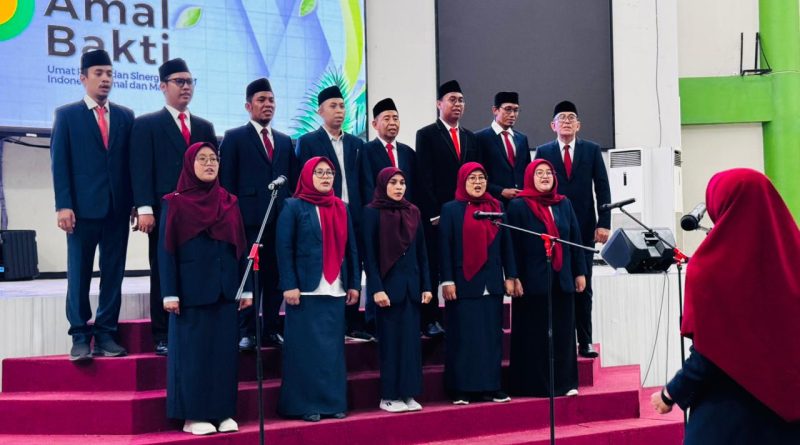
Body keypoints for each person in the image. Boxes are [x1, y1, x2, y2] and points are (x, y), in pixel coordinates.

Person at [651, 169, 800, 444]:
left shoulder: (710, 268)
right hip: (788, 413)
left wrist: (671, 393)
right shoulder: (793, 256)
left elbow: (710, 352)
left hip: (728, 413)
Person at [158, 142, 251, 436]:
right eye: (202, 159)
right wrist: (170, 292)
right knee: (193, 356)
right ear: (189, 164)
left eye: (214, 159)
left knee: (224, 355)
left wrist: (245, 288)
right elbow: (166, 251)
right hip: (191, 293)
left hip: (225, 290)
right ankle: (193, 416)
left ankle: (223, 412)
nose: (210, 164)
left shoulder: (229, 201)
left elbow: (240, 245)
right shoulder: (174, 202)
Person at [50, 49, 134, 361]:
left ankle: (106, 333)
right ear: (83, 78)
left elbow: (130, 165)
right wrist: (63, 205)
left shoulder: (125, 116)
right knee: (79, 272)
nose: (105, 79)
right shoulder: (67, 115)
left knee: (113, 273)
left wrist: (136, 203)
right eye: (99, 73)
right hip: (81, 210)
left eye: (109, 73)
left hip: (117, 208)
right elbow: (60, 163)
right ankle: (79, 335)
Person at [130, 58, 217, 356]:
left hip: (200, 212)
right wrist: (144, 207)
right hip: (163, 211)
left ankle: (194, 326)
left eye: (190, 81)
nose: (186, 87)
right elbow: (140, 168)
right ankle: (162, 333)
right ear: (162, 86)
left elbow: (212, 170)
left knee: (197, 267)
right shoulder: (146, 125)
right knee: (162, 270)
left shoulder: (204, 127)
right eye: (179, 81)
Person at [276, 157, 361, 422]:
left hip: (335, 288)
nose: (325, 177)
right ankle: (304, 405)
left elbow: (351, 248)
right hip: (304, 290)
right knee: (305, 351)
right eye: (319, 172)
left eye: (329, 173)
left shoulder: (342, 207)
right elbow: (284, 248)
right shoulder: (293, 206)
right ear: (307, 175)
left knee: (331, 352)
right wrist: (289, 285)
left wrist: (354, 284)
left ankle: (333, 402)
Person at [219, 77, 298, 350]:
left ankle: (271, 328)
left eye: (271, 100)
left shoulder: (285, 141)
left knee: (275, 276)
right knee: (249, 275)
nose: (268, 104)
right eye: (261, 100)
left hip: (280, 220)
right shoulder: (234, 138)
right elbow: (227, 184)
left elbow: (293, 182)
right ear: (248, 106)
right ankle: (248, 331)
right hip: (248, 222)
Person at [534, 100, 610, 358]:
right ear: (552, 125)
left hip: (585, 229)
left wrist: (604, 223)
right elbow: (537, 190)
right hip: (553, 229)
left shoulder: (591, 150)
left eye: (571, 117)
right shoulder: (543, 151)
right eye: (562, 118)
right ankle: (557, 340)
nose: (566, 121)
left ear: (578, 125)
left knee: (583, 285)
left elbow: (602, 187)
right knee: (556, 284)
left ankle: (585, 341)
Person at [295, 86, 370, 341]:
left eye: (342, 106)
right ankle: (334, 320)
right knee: (332, 263)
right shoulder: (308, 142)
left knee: (354, 263)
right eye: (333, 106)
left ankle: (353, 322)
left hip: (353, 214)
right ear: (320, 111)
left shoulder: (356, 144)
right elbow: (302, 180)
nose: (339, 111)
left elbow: (364, 182)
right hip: (324, 213)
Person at [438, 162, 516, 404]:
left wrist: (510, 276)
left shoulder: (496, 207)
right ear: (462, 181)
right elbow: (445, 248)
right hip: (463, 283)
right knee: (464, 338)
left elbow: (507, 244)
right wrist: (447, 280)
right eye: (472, 178)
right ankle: (461, 389)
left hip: (491, 282)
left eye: (481, 178)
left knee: (491, 337)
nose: (478, 182)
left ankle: (491, 386)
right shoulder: (451, 209)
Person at [507, 159, 586, 397]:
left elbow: (575, 239)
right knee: (534, 334)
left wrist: (580, 272)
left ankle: (565, 383)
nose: (544, 177)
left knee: (564, 332)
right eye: (539, 173)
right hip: (531, 281)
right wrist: (513, 276)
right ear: (530, 177)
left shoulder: (564, 203)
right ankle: (534, 385)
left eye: (548, 173)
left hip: (562, 278)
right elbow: (512, 245)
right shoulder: (519, 206)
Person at [415, 80, 481, 338]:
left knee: (461, 264)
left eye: (461, 100)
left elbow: (476, 177)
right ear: (439, 104)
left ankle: (461, 314)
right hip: (438, 215)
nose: (457, 104)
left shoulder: (471, 138)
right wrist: (434, 213)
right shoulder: (427, 134)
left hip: (465, 214)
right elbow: (424, 178)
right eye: (452, 99)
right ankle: (430, 319)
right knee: (433, 265)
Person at [362, 167, 431, 413]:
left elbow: (422, 252)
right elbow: (369, 256)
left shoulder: (413, 211)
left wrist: (426, 285)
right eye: (393, 183)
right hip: (387, 290)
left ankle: (408, 393)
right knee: (391, 345)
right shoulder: (372, 212)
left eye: (402, 182)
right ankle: (389, 396)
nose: (399, 187)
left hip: (411, 288)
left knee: (411, 345)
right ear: (383, 185)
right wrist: (376, 289)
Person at [359, 98, 418, 333]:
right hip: (378, 220)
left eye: (395, 118)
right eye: (386, 118)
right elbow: (366, 185)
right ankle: (373, 320)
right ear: (374, 124)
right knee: (377, 265)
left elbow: (413, 190)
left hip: (405, 220)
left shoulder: (408, 152)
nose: (392, 122)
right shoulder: (366, 150)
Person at [475, 92, 530, 206]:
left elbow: (527, 172)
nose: (512, 114)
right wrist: (500, 191)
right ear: (495, 110)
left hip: (521, 203)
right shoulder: (480, 138)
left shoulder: (522, 139)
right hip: (493, 203)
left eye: (516, 110)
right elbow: (477, 175)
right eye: (508, 109)